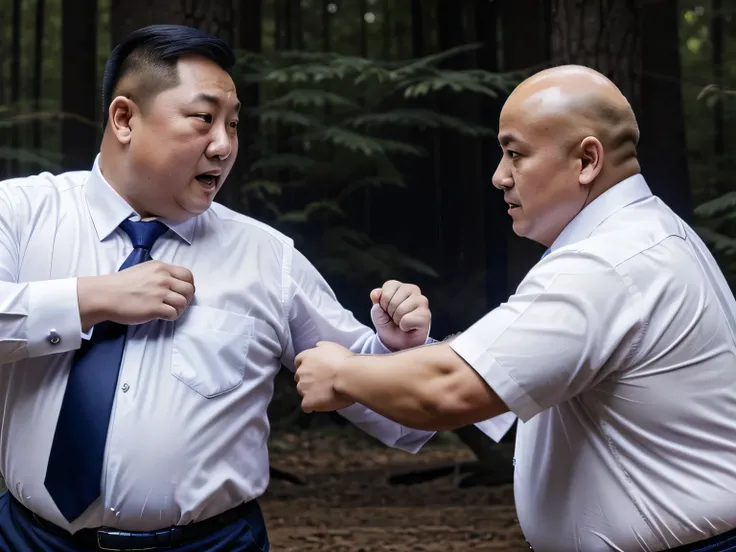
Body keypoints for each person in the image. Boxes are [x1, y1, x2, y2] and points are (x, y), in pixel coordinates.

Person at [0, 24, 442, 552]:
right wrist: (92, 299)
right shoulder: (21, 213)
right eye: (204, 119)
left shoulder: (267, 256)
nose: (224, 145)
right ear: (124, 119)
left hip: (211, 543)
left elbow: (383, 401)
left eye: (233, 124)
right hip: (31, 540)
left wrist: (402, 350)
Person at [293, 65, 736, 552]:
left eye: (515, 154)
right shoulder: (642, 237)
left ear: (587, 160)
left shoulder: (606, 263)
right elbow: (504, 369)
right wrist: (411, 353)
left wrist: (340, 372)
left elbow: (450, 390)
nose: (499, 176)